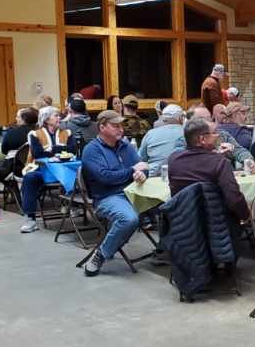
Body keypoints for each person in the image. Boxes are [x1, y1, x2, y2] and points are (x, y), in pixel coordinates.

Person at [80, 110, 148, 277]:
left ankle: (165, 249)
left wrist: (142, 175)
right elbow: (105, 178)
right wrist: (132, 171)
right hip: (107, 197)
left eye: (121, 126)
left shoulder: (125, 146)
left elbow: (143, 167)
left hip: (134, 192)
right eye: (115, 126)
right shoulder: (91, 150)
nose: (120, 129)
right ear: (102, 127)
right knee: (128, 219)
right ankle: (101, 254)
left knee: (170, 204)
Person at [166, 118, 250, 221]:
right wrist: (247, 217)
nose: (217, 135)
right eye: (213, 133)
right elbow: (234, 199)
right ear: (202, 139)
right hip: (216, 224)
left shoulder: (173, 160)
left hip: (182, 222)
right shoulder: (219, 162)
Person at [19, 106, 77, 233]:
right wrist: (60, 150)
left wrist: (52, 150)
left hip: (64, 170)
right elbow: (38, 153)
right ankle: (30, 219)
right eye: (55, 116)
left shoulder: (67, 133)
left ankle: (76, 207)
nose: (59, 118)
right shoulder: (35, 134)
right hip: (44, 171)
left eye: (58, 115)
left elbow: (73, 150)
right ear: (46, 119)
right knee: (30, 178)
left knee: (83, 174)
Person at [190, 105, 255, 170]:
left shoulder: (222, 134)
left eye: (209, 119)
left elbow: (239, 150)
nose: (209, 122)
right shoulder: (187, 139)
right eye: (202, 119)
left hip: (227, 174)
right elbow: (189, 162)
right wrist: (216, 155)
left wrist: (248, 160)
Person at [138, 104, 186, 175]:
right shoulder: (187, 133)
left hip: (152, 176)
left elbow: (140, 159)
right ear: (180, 118)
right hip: (179, 176)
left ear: (163, 119)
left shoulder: (150, 134)